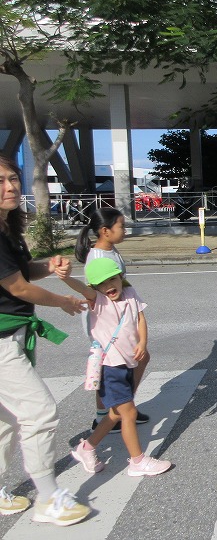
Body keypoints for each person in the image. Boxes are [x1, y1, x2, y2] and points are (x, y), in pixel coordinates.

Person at [0, 155, 90, 525]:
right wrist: (63, 301)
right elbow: (18, 288)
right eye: (0, 181)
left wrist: (49, 265)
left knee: (7, 420)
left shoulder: (7, 228)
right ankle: (49, 499)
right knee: (40, 412)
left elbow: (21, 272)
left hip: (12, 335)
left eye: (12, 178)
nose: (10, 186)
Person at [59, 258, 171, 476]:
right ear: (95, 287)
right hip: (110, 367)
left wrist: (142, 342)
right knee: (128, 412)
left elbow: (140, 319)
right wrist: (66, 278)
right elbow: (81, 288)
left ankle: (87, 448)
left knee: (115, 414)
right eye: (101, 283)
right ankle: (137, 461)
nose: (108, 286)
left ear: (121, 277)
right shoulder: (98, 300)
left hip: (127, 362)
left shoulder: (130, 294)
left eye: (112, 279)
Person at [76, 207, 150, 432]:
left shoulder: (110, 250)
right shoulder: (97, 257)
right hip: (106, 321)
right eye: (121, 226)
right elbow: (97, 294)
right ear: (105, 231)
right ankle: (108, 415)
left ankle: (122, 408)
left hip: (122, 316)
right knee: (110, 366)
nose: (125, 230)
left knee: (132, 360)